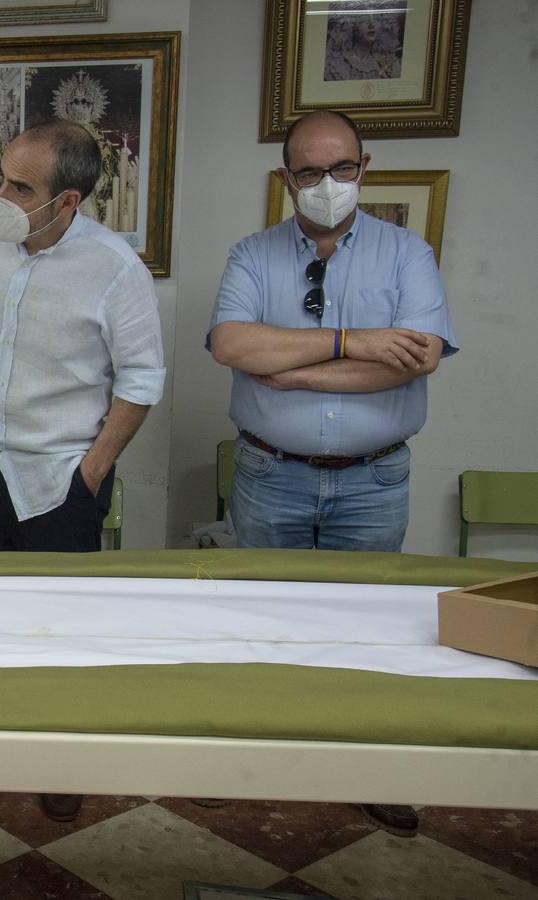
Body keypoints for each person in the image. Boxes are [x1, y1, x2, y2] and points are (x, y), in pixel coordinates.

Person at [207, 109, 455, 836]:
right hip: (270, 471)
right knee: (259, 625)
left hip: (373, 479)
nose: (328, 184)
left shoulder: (408, 254)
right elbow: (229, 345)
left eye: (341, 168)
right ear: (286, 179)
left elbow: (419, 358)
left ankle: (370, 768)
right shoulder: (252, 255)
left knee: (371, 632)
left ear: (364, 167)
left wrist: (296, 371)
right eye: (310, 172)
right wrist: (354, 341)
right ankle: (247, 760)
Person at [0, 120, 164, 825]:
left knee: (59, 631)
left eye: (19, 187)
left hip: (58, 476)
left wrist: (92, 472)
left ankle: (61, 760)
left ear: (66, 202)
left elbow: (142, 382)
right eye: (1, 177)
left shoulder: (117, 270)